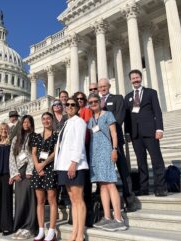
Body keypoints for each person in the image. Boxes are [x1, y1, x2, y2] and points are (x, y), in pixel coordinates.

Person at [87, 93, 127, 231]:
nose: (93, 104)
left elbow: (114, 133)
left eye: (95, 101)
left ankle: (118, 218)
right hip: (95, 154)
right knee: (102, 185)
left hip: (106, 151)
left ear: (100, 102)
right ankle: (107, 216)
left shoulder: (108, 115)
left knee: (110, 183)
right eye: (90, 102)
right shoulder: (90, 120)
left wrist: (114, 149)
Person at [124, 69, 167, 197]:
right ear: (130, 80)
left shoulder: (151, 93)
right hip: (136, 134)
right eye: (133, 78)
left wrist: (159, 129)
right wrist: (127, 132)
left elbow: (157, 112)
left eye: (137, 77)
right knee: (140, 161)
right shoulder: (128, 97)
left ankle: (161, 187)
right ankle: (144, 188)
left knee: (156, 159)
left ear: (141, 78)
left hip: (150, 132)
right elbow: (127, 117)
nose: (135, 80)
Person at [98, 78, 136, 212]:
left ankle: (129, 199)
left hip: (115, 140)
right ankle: (105, 204)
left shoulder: (117, 98)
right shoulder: (97, 102)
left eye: (105, 86)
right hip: (101, 143)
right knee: (104, 173)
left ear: (109, 86)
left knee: (123, 170)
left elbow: (119, 117)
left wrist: (107, 130)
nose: (103, 88)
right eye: (100, 87)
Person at [54, 97, 89, 241]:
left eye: (73, 104)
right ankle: (74, 231)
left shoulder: (79, 122)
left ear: (78, 107)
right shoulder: (67, 122)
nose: (69, 106)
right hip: (64, 165)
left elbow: (79, 142)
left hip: (75, 165)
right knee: (73, 200)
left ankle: (80, 233)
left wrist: (74, 162)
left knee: (78, 199)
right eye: (67, 104)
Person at [9, 115, 37, 240]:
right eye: (24, 122)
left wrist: (30, 170)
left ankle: (30, 227)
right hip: (19, 171)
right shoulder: (16, 138)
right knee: (20, 199)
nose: (26, 124)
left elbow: (32, 155)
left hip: (29, 170)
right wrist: (14, 173)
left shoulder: (34, 137)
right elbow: (11, 157)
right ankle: (20, 225)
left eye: (28, 122)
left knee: (29, 198)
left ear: (31, 124)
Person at [31, 112, 58, 241]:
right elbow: (34, 152)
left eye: (48, 119)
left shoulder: (56, 135)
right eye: (44, 119)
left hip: (50, 168)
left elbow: (55, 152)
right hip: (38, 169)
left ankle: (52, 231)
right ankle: (41, 230)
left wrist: (44, 164)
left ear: (52, 120)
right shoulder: (36, 136)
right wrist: (37, 166)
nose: (46, 121)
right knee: (40, 201)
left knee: (52, 200)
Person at [72, 92, 93, 227]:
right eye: (77, 99)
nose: (79, 101)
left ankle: (88, 215)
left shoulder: (87, 111)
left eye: (81, 99)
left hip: (85, 147)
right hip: (74, 151)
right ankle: (77, 216)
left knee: (86, 183)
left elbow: (88, 129)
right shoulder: (72, 115)